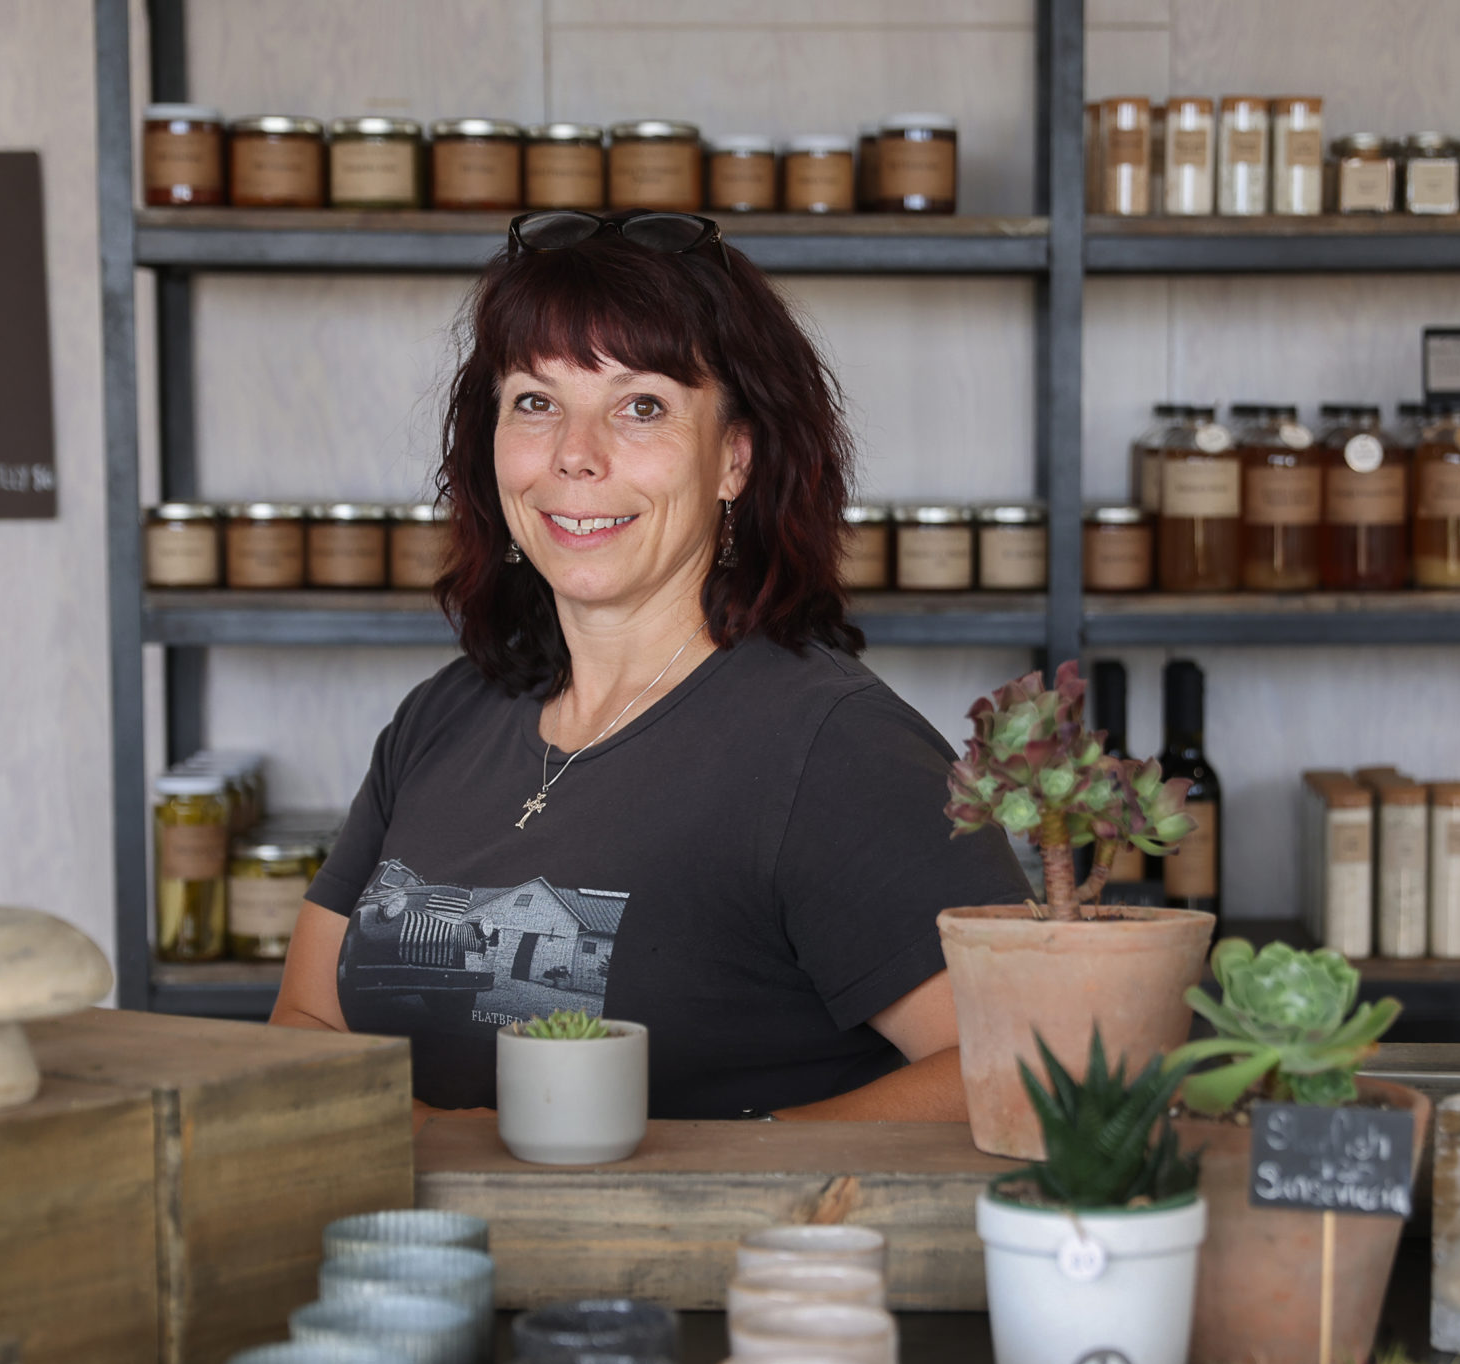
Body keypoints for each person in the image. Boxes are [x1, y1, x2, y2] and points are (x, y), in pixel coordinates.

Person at [271, 209, 1030, 1120]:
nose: (575, 455)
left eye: (642, 407)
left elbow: (1020, 1060)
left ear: (734, 459)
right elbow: (307, 1020)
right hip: (422, 1259)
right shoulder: (443, 718)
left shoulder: (834, 748)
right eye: (536, 401)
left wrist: (701, 1179)